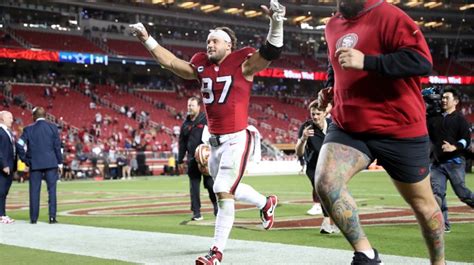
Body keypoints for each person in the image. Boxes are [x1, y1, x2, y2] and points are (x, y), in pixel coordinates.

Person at [130, 1, 285, 263]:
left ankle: (216, 253)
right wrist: (147, 39)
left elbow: (270, 51)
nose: (209, 45)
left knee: (223, 190)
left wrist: (277, 23)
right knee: (226, 187)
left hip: (238, 137)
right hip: (214, 141)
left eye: (214, 41)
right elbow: (170, 62)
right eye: (208, 41)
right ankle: (265, 203)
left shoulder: (243, 64)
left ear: (229, 46)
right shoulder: (201, 65)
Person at [315, 0, 444, 264]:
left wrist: (368, 62)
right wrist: (329, 89)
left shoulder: (389, 15)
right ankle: (366, 253)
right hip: (349, 125)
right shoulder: (332, 24)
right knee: (326, 182)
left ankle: (438, 262)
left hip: (399, 127)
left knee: (423, 206)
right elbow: (334, 64)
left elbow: (421, 61)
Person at [428, 86, 474, 233]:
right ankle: (444, 225)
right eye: (442, 98)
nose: (443, 100)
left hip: (455, 162)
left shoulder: (460, 119)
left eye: (447, 98)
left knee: (462, 193)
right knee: (437, 194)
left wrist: (454, 147)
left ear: (455, 101)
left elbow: (466, 140)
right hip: (437, 164)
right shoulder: (434, 118)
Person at [295, 100, 339, 234]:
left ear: (325, 113)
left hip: (332, 165)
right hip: (314, 166)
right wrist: (303, 139)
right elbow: (299, 152)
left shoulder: (334, 125)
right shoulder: (306, 127)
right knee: (322, 190)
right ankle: (327, 221)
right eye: (313, 114)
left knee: (333, 193)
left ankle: (334, 222)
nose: (315, 117)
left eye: (318, 114)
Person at [17, 107, 62, 224]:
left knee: (34, 191)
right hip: (51, 163)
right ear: (46, 116)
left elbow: (19, 145)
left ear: (33, 116)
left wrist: (25, 159)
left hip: (35, 164)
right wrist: (60, 163)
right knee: (52, 191)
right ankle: (52, 217)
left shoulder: (28, 129)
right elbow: (57, 146)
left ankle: (33, 218)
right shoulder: (53, 127)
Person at [177, 96, 218, 221]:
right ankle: (196, 212)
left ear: (198, 107)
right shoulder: (185, 124)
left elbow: (215, 134)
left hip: (206, 160)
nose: (189, 107)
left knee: (210, 184)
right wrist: (180, 160)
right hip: (192, 160)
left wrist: (213, 152)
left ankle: (216, 206)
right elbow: (182, 143)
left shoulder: (206, 120)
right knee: (194, 187)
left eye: (192, 105)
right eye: (188, 105)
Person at [0, 111, 18, 224]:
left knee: (4, 192)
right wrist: (4, 164)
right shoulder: (1, 132)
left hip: (10, 166)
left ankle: (2, 214)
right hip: (4, 167)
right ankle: (1, 215)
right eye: (9, 117)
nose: (12, 120)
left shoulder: (7, 131)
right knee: (1, 191)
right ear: (2, 118)